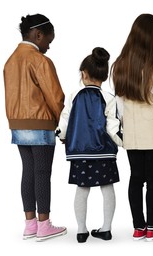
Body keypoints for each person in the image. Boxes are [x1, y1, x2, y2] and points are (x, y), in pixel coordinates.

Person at [4, 14, 67, 241]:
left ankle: (30, 224)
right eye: (48, 41)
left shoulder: (10, 61)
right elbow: (55, 97)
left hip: (17, 125)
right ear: (38, 34)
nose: (48, 47)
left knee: (28, 171)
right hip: (40, 124)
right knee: (42, 173)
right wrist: (63, 126)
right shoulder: (40, 61)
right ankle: (44, 224)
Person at [111, 14, 153, 241]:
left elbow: (118, 104)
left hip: (132, 132)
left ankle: (138, 227)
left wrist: (122, 127)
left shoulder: (119, 65)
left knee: (136, 177)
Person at [56, 47, 123, 243]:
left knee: (82, 189)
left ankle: (81, 230)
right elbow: (113, 127)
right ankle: (107, 229)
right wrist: (123, 143)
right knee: (107, 187)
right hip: (104, 152)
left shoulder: (74, 96)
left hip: (80, 152)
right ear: (103, 75)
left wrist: (62, 136)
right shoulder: (109, 98)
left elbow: (65, 121)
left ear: (83, 73)